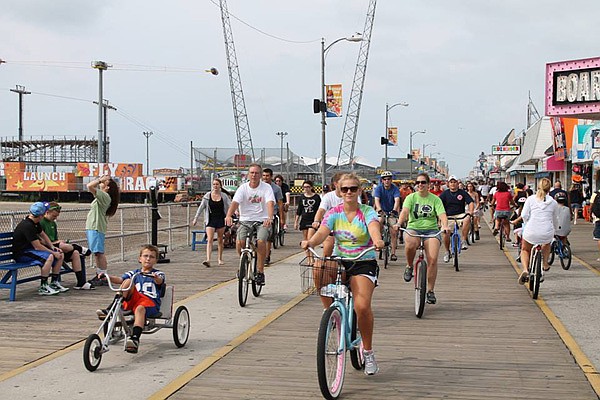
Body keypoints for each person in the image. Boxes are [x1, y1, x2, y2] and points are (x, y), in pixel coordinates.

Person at [301, 173, 384, 376]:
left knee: (362, 306)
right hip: (341, 260)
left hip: (363, 260)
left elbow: (374, 227)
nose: (348, 192)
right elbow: (323, 231)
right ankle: (329, 312)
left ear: (359, 191)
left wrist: (378, 240)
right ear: (339, 191)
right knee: (320, 265)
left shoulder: (367, 211)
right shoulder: (334, 213)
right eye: (344, 189)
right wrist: (311, 242)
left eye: (353, 189)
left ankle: (368, 351)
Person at [97, 245, 165, 353]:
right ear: (140, 258)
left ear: (156, 260)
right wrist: (107, 277)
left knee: (140, 309)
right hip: (134, 299)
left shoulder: (157, 273)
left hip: (149, 301)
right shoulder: (134, 273)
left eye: (151, 257)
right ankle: (111, 309)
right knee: (127, 281)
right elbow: (120, 280)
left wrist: (156, 278)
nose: (148, 259)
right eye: (145, 256)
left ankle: (135, 339)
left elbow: (160, 281)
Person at [398, 172, 449, 305]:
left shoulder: (435, 199)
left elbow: (442, 214)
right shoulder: (411, 197)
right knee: (410, 244)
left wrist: (444, 226)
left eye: (423, 182)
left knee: (432, 259)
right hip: (413, 228)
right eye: (418, 182)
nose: (420, 185)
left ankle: (430, 291)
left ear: (428, 184)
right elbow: (404, 212)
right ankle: (409, 266)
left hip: (431, 230)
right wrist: (399, 223)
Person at [225, 164, 275, 286]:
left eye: (257, 173)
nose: (254, 175)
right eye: (252, 173)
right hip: (245, 220)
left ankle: (260, 271)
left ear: (260, 175)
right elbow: (235, 202)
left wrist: (269, 217)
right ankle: (243, 262)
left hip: (262, 220)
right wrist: (228, 215)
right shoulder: (243, 188)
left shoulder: (266, 188)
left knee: (261, 241)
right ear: (248, 174)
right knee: (239, 242)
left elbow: (270, 203)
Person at [12, 202, 66, 295]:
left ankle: (54, 282)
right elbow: (38, 246)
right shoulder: (27, 226)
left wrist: (53, 247)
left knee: (60, 254)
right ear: (41, 215)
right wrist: (53, 253)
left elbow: (43, 234)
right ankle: (43, 286)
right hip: (22, 253)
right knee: (49, 257)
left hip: (31, 251)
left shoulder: (35, 223)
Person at [40, 202, 93, 290]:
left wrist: (58, 242)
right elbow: (42, 242)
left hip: (56, 247)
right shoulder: (41, 223)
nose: (55, 218)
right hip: (48, 249)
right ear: (47, 212)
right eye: (53, 216)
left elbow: (55, 239)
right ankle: (77, 247)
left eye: (56, 217)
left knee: (75, 253)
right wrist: (58, 243)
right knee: (63, 246)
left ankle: (81, 282)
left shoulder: (53, 223)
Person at [518, 178, 559, 284]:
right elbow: (555, 219)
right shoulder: (553, 202)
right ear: (549, 189)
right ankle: (545, 264)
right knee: (546, 244)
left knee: (525, 249)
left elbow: (524, 215)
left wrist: (528, 222)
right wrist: (555, 229)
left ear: (538, 187)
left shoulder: (531, 199)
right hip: (546, 231)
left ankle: (526, 269)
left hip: (531, 230)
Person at [86, 174, 120, 287]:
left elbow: (89, 186)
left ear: (107, 187)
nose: (100, 184)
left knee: (99, 253)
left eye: (103, 183)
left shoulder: (105, 196)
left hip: (96, 227)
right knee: (97, 252)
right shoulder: (104, 196)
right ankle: (100, 274)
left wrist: (100, 179)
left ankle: (103, 275)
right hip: (95, 227)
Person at [192, 178, 232, 267]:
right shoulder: (207, 196)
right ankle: (208, 259)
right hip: (210, 219)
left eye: (217, 184)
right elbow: (201, 208)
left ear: (220, 185)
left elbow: (230, 205)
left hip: (221, 219)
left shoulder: (224, 196)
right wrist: (196, 218)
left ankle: (220, 259)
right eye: (214, 184)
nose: (215, 186)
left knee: (220, 240)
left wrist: (236, 212)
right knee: (209, 239)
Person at [439, 175, 474, 263]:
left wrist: (470, 211)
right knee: (445, 232)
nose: (453, 184)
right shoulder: (444, 194)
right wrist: (440, 218)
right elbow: (438, 206)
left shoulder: (462, 193)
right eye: (451, 182)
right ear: (448, 184)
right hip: (448, 217)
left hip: (460, 215)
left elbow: (470, 202)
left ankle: (463, 240)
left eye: (455, 182)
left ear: (458, 183)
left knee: (467, 218)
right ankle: (447, 251)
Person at [373, 171, 401, 261]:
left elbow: (397, 200)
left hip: (391, 211)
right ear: (382, 180)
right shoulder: (379, 188)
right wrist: (379, 209)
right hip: (382, 211)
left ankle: (393, 253)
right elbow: (377, 200)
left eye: (388, 179)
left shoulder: (395, 189)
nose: (387, 181)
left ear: (391, 180)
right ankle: (379, 238)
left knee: (393, 231)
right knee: (380, 221)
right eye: (385, 179)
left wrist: (394, 210)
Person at [294, 180, 321, 263]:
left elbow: (320, 210)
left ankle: (311, 257)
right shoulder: (302, 197)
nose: (306, 189)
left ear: (311, 187)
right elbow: (299, 210)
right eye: (304, 187)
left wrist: (320, 220)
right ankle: (308, 258)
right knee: (305, 240)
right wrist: (296, 221)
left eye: (308, 187)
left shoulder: (316, 197)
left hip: (313, 220)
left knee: (310, 239)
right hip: (304, 220)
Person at [262, 168, 284, 264]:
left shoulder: (276, 188)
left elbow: (280, 203)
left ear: (271, 176)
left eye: (267, 176)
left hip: (272, 214)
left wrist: (282, 218)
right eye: (264, 175)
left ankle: (267, 256)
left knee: (269, 237)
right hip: (261, 214)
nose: (265, 177)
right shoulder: (260, 187)